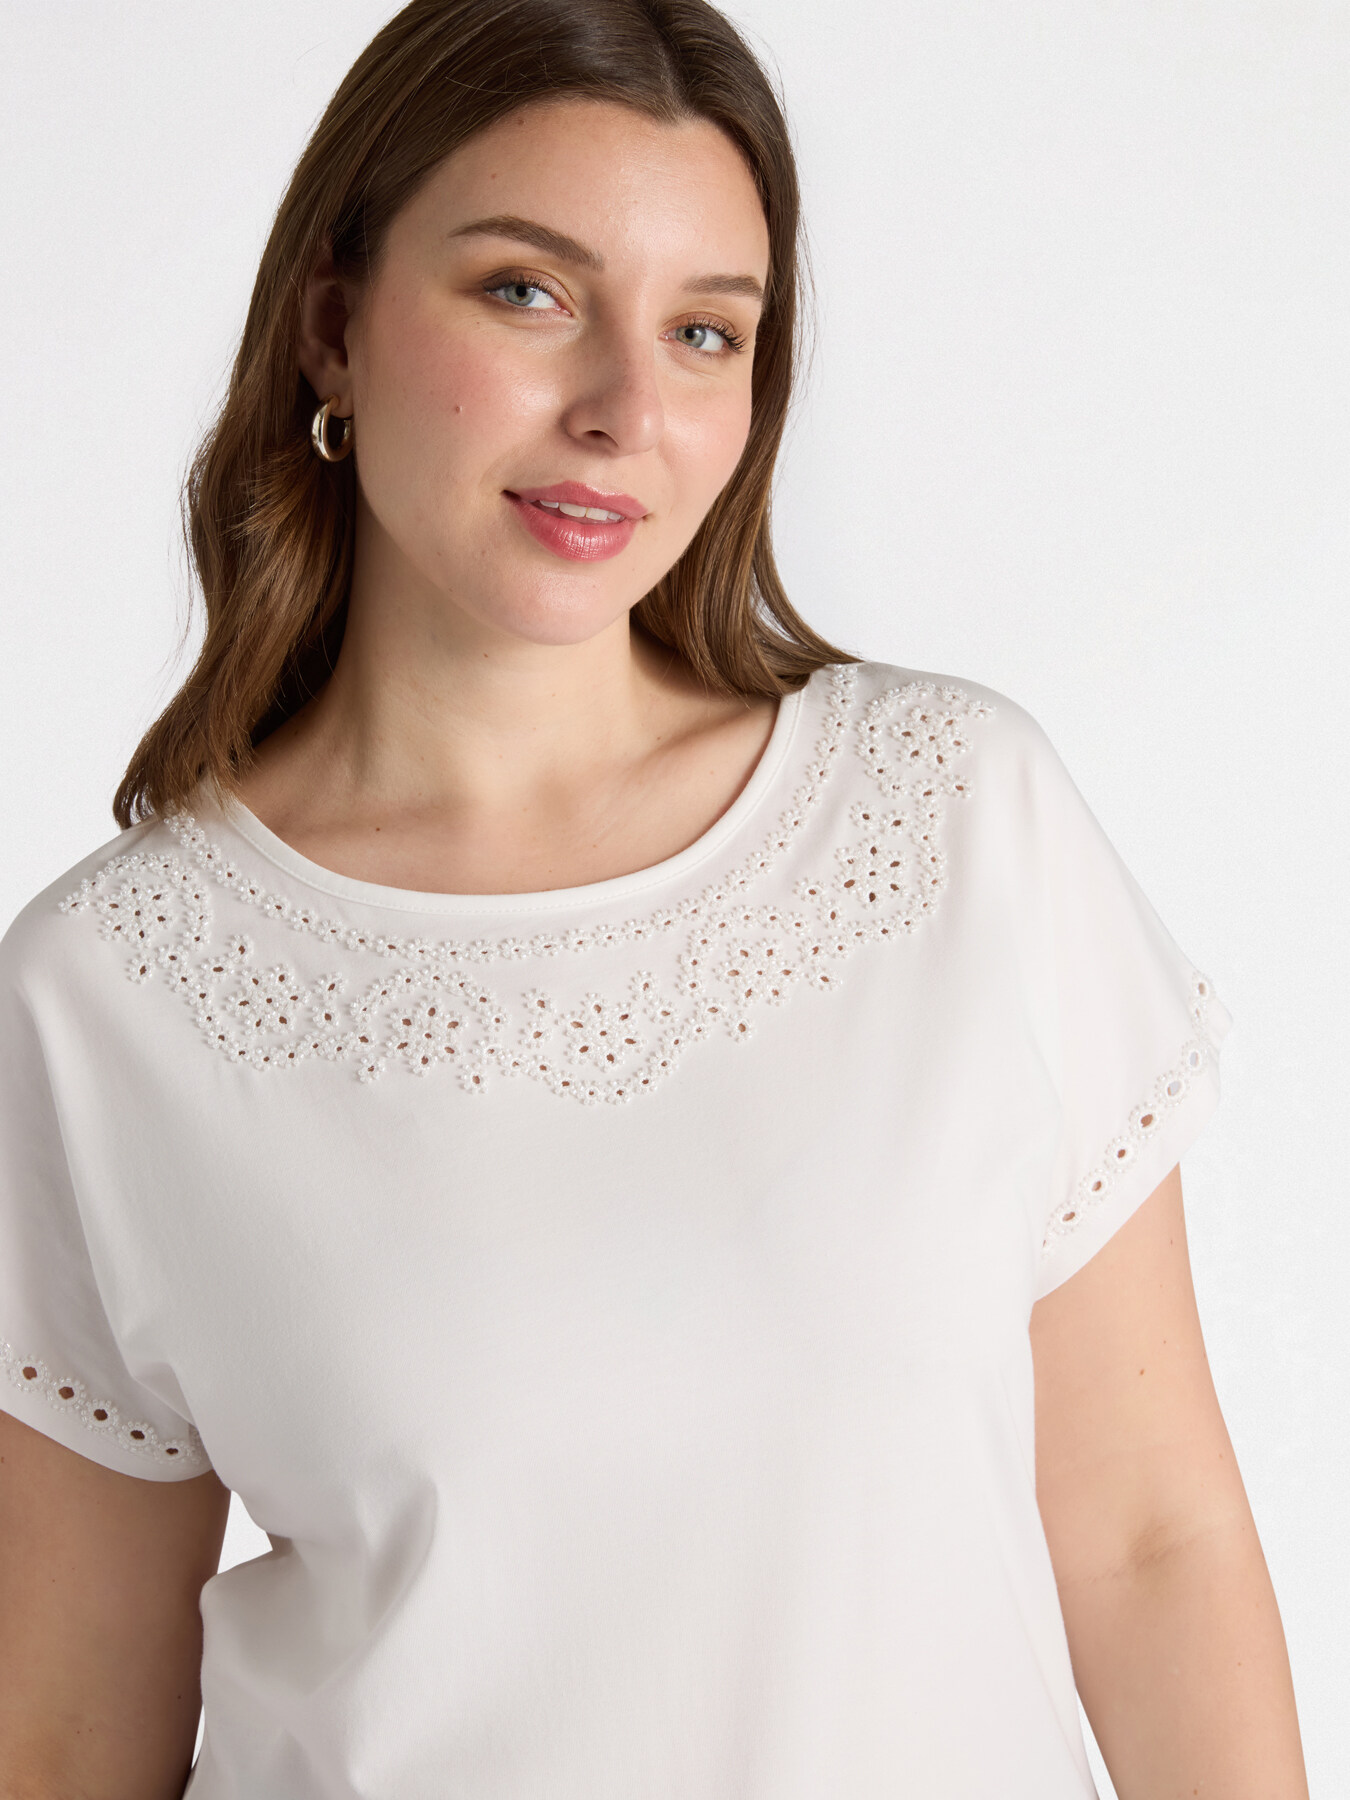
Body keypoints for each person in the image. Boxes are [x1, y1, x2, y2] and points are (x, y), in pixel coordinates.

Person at [0, 1, 1310, 1795]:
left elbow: (1153, 1547)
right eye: (527, 292)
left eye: (705, 331)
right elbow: (68, 1724)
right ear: (332, 324)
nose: (623, 410)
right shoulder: (112, 993)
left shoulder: (953, 817)